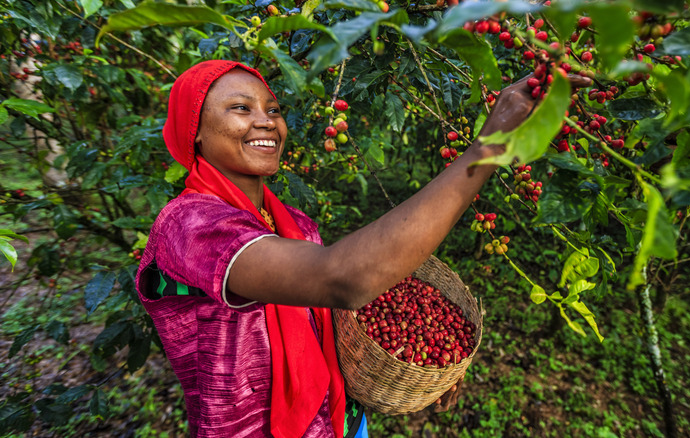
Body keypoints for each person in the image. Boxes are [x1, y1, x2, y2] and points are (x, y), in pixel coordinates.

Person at [134, 59, 591, 437]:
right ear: (195, 130)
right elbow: (342, 279)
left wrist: (431, 362)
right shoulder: (189, 226)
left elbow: (331, 323)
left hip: (340, 422)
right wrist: (486, 148)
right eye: (240, 108)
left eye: (273, 109)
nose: (265, 121)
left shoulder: (295, 225)